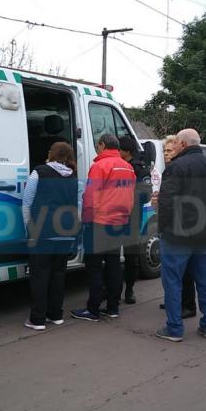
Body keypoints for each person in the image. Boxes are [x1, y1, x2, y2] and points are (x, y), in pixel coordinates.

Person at [155, 128, 206, 342]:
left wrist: (162, 229)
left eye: (176, 143)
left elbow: (166, 203)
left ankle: (175, 328)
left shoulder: (176, 167)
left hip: (177, 236)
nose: (174, 146)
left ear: (183, 144)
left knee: (173, 282)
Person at [71, 133, 135, 322]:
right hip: (119, 223)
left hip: (99, 223)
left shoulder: (100, 166)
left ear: (102, 145)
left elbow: (91, 197)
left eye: (98, 145)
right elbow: (130, 196)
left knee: (95, 267)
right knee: (114, 265)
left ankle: (93, 309)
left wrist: (86, 220)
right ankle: (113, 307)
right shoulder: (128, 167)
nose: (97, 149)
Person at [22, 142, 79, 331]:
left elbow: (27, 202)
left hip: (42, 232)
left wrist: (29, 229)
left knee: (39, 275)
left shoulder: (39, 172)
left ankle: (37, 319)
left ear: (52, 154)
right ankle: (56, 315)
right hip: (65, 232)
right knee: (58, 274)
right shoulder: (73, 177)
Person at [155, 134, 197, 319]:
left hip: (180, 228)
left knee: (184, 271)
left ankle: (187, 305)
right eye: (164, 151)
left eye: (170, 150)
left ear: (179, 150)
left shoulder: (178, 169)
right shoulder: (168, 169)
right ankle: (174, 301)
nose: (166, 153)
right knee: (173, 271)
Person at [118, 135, 153, 304]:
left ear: (127, 151)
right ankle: (112, 290)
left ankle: (130, 289)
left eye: (119, 149)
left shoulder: (139, 168)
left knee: (131, 256)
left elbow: (146, 194)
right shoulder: (116, 166)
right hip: (115, 216)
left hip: (132, 217)